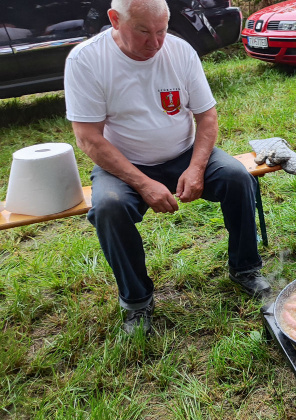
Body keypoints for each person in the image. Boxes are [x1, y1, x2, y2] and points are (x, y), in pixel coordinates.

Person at [64, 0, 269, 334]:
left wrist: (197, 167)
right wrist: (143, 183)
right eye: (143, 31)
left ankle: (245, 268)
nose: (155, 42)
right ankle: (137, 301)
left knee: (236, 177)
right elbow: (88, 138)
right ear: (115, 20)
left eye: (161, 30)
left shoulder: (180, 51)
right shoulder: (87, 60)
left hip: (183, 152)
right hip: (124, 163)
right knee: (109, 207)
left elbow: (207, 116)